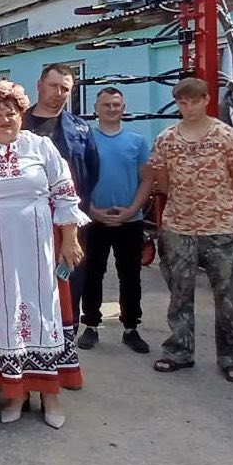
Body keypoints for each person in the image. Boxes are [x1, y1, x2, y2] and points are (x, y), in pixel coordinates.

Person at [0, 81, 87, 429]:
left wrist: (69, 240)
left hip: (38, 247)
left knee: (42, 311)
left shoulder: (41, 147)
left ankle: (50, 393)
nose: (6, 119)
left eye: (12, 113)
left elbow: (65, 193)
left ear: (22, 115)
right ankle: (14, 392)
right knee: (5, 313)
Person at [149, 78, 233, 383]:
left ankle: (231, 357)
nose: (189, 107)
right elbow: (162, 181)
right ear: (177, 103)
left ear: (206, 99)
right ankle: (179, 350)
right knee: (180, 293)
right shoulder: (167, 139)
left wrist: (213, 202)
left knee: (227, 295)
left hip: (220, 228)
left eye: (194, 100)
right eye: (182, 102)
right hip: (178, 227)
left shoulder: (227, 136)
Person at [22, 63, 99, 323]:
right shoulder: (17, 123)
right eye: (53, 86)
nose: (58, 93)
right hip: (26, 220)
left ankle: (68, 335)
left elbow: (91, 171)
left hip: (70, 223)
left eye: (65, 89)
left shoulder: (80, 128)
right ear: (39, 86)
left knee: (70, 280)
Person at [78, 87, 153, 354]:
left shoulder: (137, 141)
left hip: (130, 220)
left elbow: (147, 178)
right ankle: (90, 325)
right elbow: (78, 179)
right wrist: (92, 210)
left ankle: (131, 328)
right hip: (94, 218)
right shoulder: (86, 139)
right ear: (96, 108)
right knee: (92, 274)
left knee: (130, 276)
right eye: (107, 104)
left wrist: (133, 209)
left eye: (117, 104)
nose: (112, 109)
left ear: (123, 108)